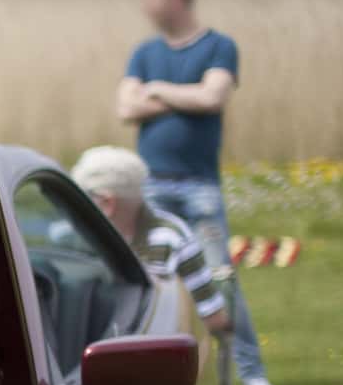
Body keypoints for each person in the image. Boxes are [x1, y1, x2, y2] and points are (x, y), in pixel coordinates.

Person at [118, 0, 281, 385]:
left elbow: (213, 97)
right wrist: (180, 95)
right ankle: (152, 371)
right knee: (149, 277)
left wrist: (156, 90)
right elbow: (126, 108)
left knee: (220, 280)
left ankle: (250, 374)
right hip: (152, 186)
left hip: (199, 189)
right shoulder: (144, 52)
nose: (144, 5)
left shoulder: (218, 47)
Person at [72, 145, 231, 343]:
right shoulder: (71, 237)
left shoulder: (169, 238)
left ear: (107, 203)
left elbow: (213, 317)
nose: (74, 210)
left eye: (81, 198)